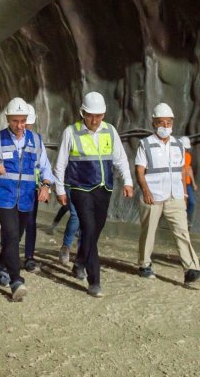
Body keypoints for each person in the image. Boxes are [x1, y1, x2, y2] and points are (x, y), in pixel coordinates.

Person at [54, 91, 133, 298]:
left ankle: (79, 261)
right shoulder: (71, 132)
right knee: (88, 228)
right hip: (80, 189)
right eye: (91, 115)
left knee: (94, 232)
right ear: (82, 113)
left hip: (103, 189)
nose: (95, 120)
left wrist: (128, 181)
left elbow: (121, 159)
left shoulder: (110, 131)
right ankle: (94, 281)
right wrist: (60, 189)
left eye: (99, 115)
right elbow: (61, 163)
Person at [0, 98, 54, 300]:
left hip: (26, 198)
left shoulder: (36, 140)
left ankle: (1, 267)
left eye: (23, 121)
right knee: (11, 233)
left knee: (15, 236)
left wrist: (46, 186)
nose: (20, 125)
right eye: (15, 121)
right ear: (8, 119)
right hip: (4, 196)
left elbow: (46, 167)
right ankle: (16, 280)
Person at [134, 104, 200, 285]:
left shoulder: (178, 144)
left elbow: (182, 170)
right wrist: (145, 191)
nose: (165, 126)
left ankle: (191, 270)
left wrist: (183, 192)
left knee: (182, 232)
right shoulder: (145, 144)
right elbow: (139, 170)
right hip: (153, 196)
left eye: (168, 122)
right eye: (161, 122)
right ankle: (144, 264)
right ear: (153, 123)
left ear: (172, 123)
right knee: (149, 231)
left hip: (175, 195)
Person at [19, 105, 46, 272]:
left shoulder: (36, 140)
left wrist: (44, 184)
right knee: (14, 224)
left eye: (29, 125)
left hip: (31, 189)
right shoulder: (8, 138)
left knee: (30, 223)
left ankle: (29, 256)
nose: (27, 128)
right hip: (13, 190)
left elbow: (43, 165)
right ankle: (9, 251)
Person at [179, 136, 198, 229]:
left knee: (192, 202)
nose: (185, 150)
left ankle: (185, 218)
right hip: (178, 183)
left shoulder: (188, 156)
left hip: (187, 183)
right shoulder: (176, 155)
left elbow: (189, 169)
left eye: (186, 148)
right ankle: (180, 221)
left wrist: (193, 183)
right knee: (181, 203)